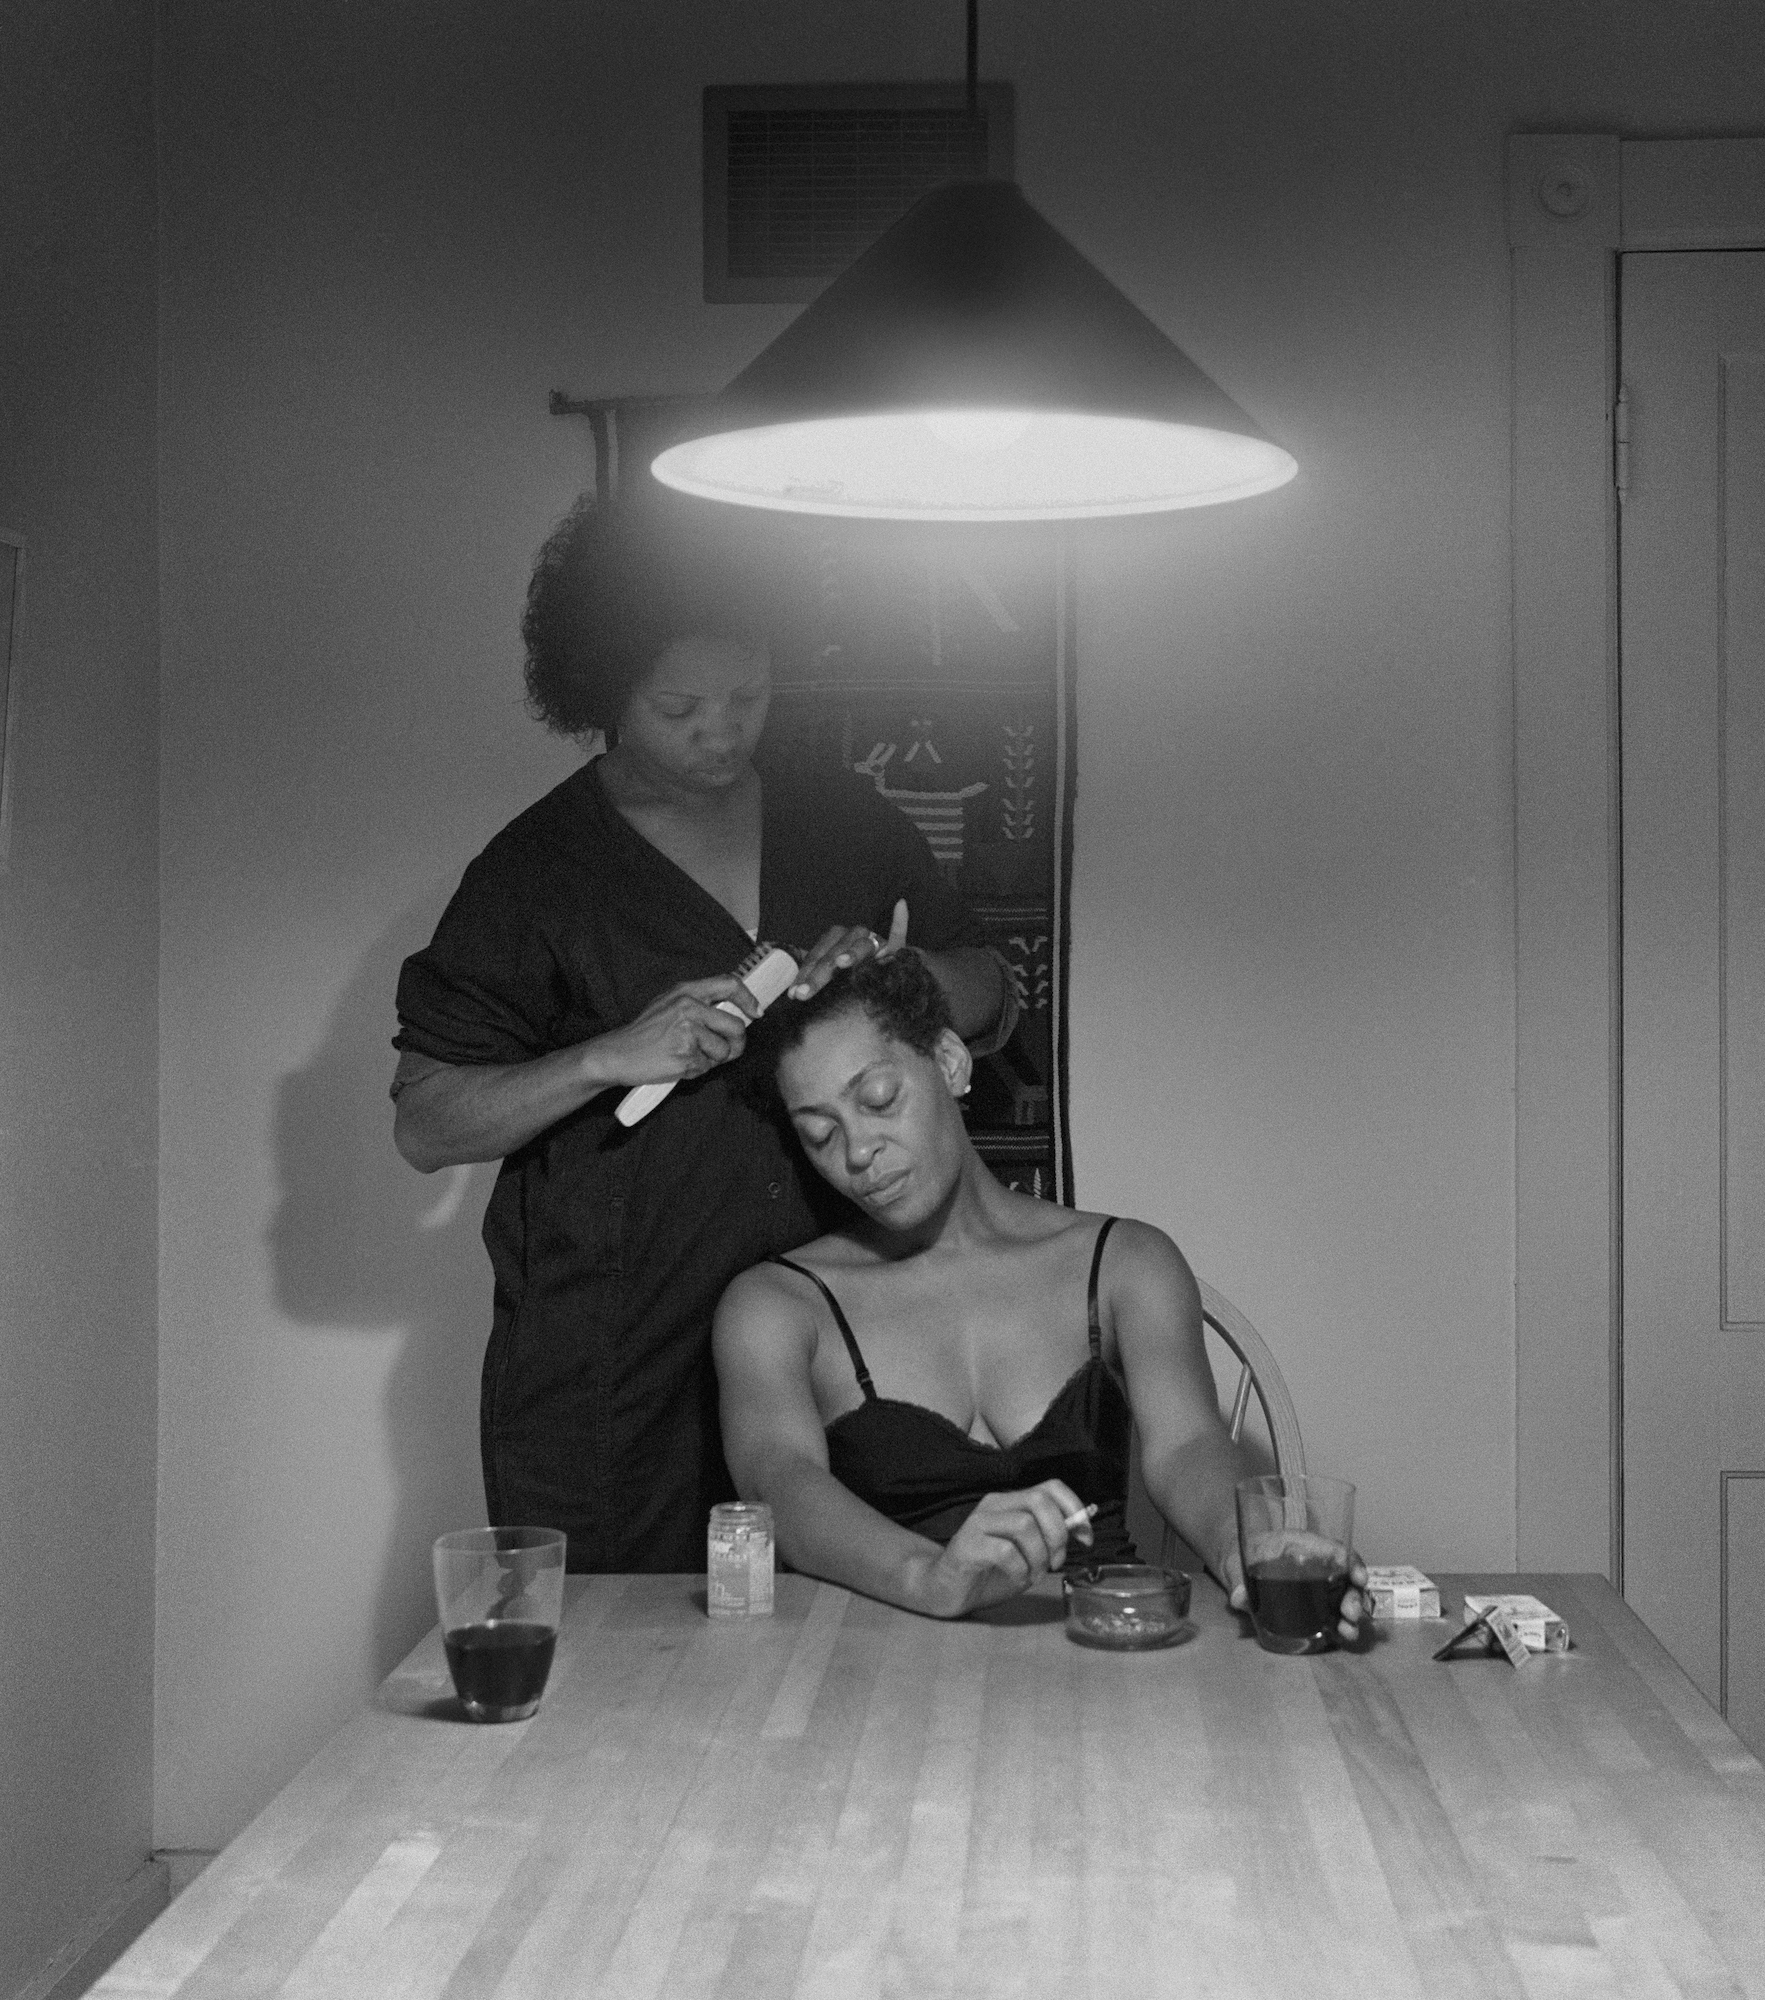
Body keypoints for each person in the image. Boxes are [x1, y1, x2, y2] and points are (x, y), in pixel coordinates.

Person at [392, 498, 1013, 1573]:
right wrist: (601, 1055)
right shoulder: (536, 874)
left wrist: (905, 975)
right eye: (680, 704)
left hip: (848, 1330)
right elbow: (426, 1119)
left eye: (747, 695)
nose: (721, 730)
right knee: (622, 1675)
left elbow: (991, 990)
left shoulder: (843, 819)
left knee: (867, 1652)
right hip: (617, 1363)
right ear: (600, 688)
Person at [715, 953, 1369, 1629]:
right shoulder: (776, 1306)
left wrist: (1249, 1543)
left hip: (1103, 1643)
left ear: (949, 1062)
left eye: (879, 1100)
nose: (856, 1152)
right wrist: (930, 1578)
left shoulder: (1126, 1263)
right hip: (884, 1660)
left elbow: (1188, 1448)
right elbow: (780, 1488)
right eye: (820, 1134)